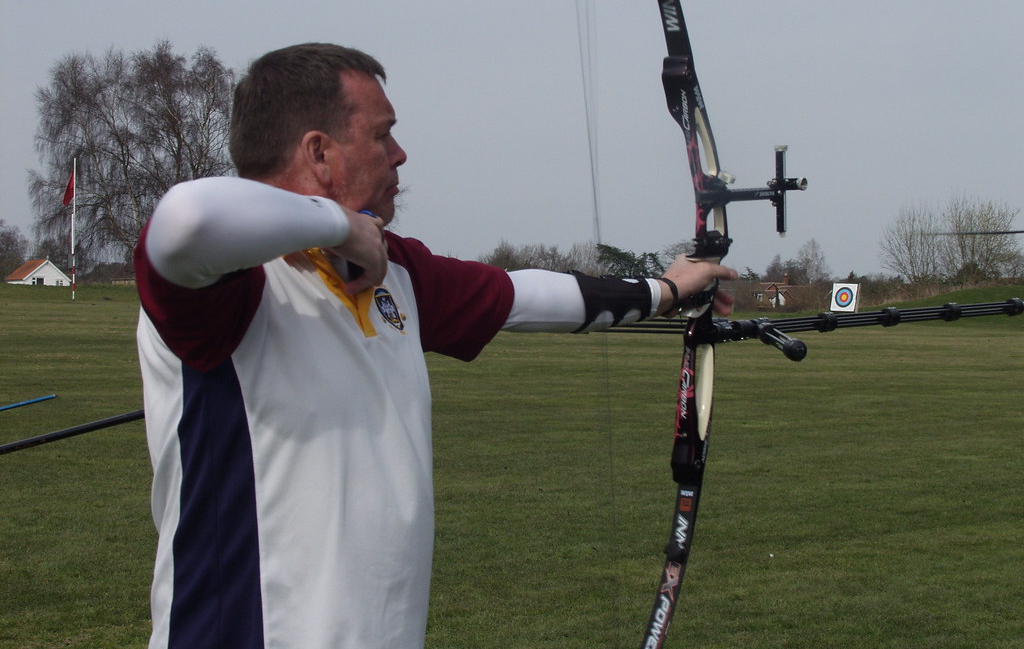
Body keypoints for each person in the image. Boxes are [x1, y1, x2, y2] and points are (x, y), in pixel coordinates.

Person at [134, 42, 737, 649]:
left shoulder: (400, 273)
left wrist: (663, 289)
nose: (400, 154)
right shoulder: (224, 287)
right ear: (320, 152)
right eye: (382, 134)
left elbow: (523, 296)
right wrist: (342, 225)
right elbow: (188, 218)